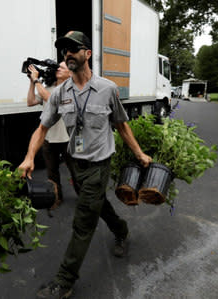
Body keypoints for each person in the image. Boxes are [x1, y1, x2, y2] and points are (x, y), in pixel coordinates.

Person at [18, 31, 152, 299]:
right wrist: (30, 156)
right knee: (98, 205)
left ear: (87, 54)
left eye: (73, 49)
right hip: (76, 165)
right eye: (64, 50)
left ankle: (64, 281)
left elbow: (122, 126)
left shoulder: (107, 89)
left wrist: (139, 154)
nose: (67, 54)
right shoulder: (59, 94)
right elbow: (41, 128)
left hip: (99, 165)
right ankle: (121, 230)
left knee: (83, 221)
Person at [26, 61, 79, 208]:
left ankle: (83, 197)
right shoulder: (47, 87)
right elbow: (30, 102)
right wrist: (32, 82)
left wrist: (37, 81)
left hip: (68, 139)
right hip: (49, 138)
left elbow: (51, 100)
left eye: (62, 67)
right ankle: (56, 198)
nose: (58, 69)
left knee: (76, 172)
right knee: (52, 173)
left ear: (70, 73)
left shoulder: (72, 90)